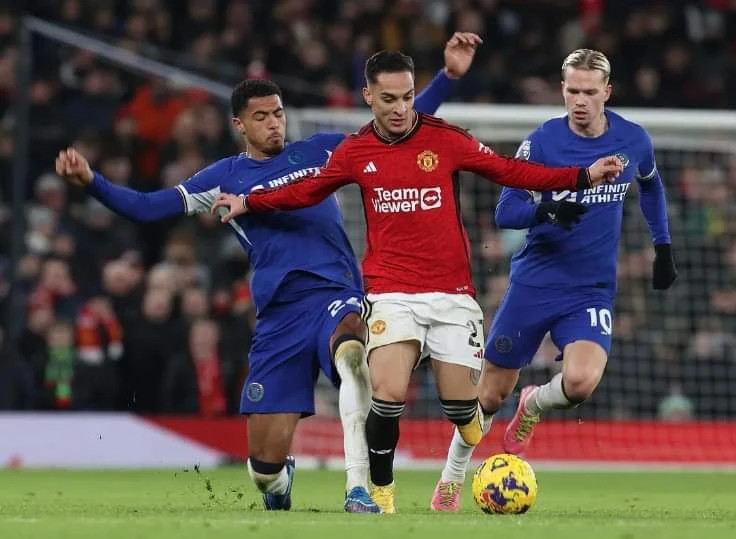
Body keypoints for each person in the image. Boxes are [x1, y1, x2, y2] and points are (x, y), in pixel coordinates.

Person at [54, 31, 483, 513]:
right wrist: (92, 182)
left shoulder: (322, 151)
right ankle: (281, 482)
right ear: (240, 124)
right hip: (279, 317)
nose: (274, 124)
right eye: (261, 117)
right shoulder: (222, 179)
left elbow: (396, 118)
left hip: (336, 294)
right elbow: (147, 209)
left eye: (278, 113)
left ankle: (358, 488)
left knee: (351, 355)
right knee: (263, 469)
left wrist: (448, 77)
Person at [211, 50, 623, 513]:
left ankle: (466, 422)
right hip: (389, 292)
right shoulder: (355, 151)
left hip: (451, 294)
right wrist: (251, 201)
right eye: (389, 99)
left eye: (408, 97)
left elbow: (511, 170)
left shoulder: (446, 140)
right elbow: (305, 189)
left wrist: (581, 176)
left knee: (462, 409)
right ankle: (381, 492)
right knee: (385, 393)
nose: (400, 108)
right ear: (369, 96)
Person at [437, 48, 678, 510]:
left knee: (582, 382)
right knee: (488, 394)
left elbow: (650, 184)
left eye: (590, 92)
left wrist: (662, 245)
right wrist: (546, 207)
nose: (580, 100)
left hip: (590, 288)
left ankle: (534, 405)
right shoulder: (543, 142)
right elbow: (506, 211)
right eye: (572, 91)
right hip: (535, 283)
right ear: (562, 89)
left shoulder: (632, 140)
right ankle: (451, 477)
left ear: (607, 92)